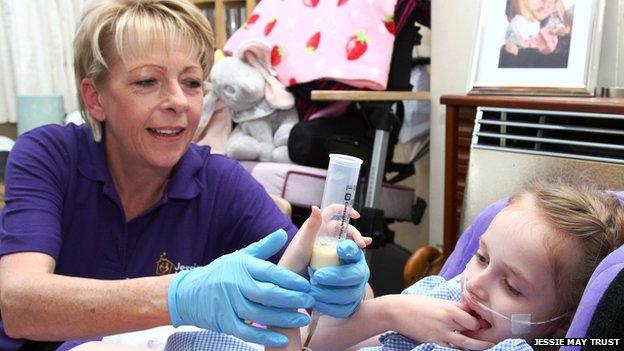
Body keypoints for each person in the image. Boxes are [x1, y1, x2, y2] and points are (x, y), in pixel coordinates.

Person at [0, 0, 370, 350]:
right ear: (95, 98)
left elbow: (323, 290)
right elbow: (17, 304)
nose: (178, 101)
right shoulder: (49, 156)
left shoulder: (219, 183)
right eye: (147, 81)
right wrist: (180, 294)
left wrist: (344, 286)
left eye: (192, 83)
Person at [154, 176, 624, 350]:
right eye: (481, 257)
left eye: (514, 288)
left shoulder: (511, 348)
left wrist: (380, 313)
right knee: (191, 338)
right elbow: (324, 340)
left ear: (557, 321)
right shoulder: (445, 292)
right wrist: (379, 308)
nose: (477, 284)